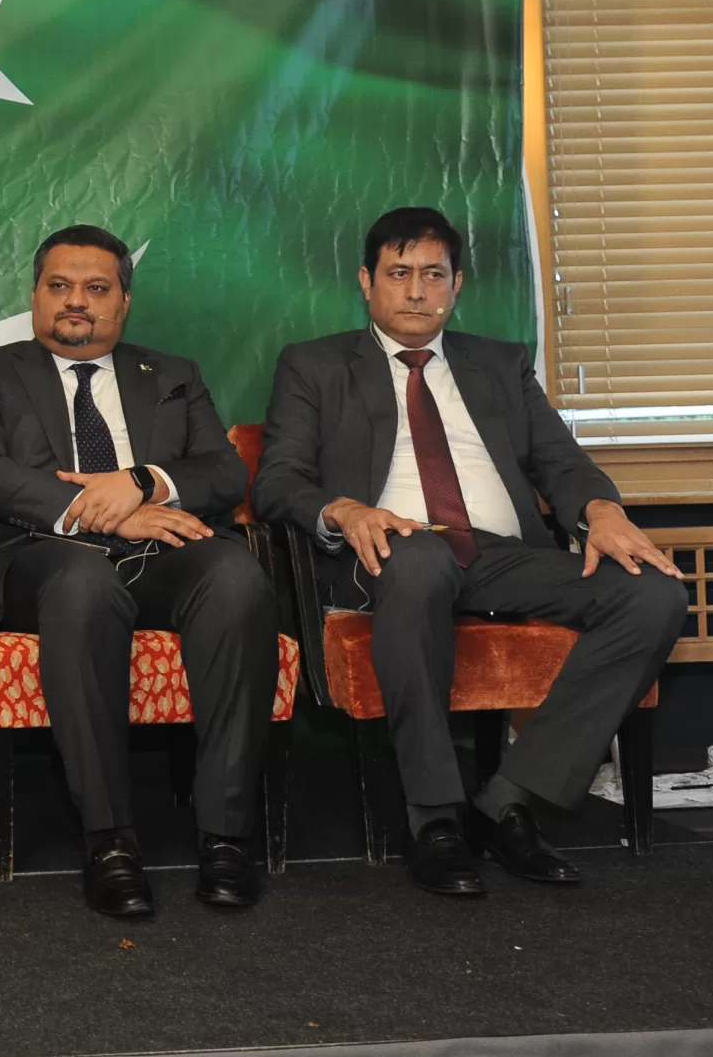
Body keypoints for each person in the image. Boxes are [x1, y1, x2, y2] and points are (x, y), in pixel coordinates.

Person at [256, 207, 687, 896]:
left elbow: (561, 462)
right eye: (399, 273)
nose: (416, 291)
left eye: (434, 274)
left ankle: (509, 800)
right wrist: (344, 509)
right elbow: (278, 481)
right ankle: (434, 818)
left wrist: (601, 512)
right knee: (419, 558)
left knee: (654, 590)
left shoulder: (500, 363)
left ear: (456, 285)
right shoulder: (314, 365)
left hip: (501, 555)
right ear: (367, 281)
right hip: (387, 552)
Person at [0, 225, 276, 918]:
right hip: (43, 557)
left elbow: (222, 472)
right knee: (83, 585)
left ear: (123, 301)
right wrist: (102, 512)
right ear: (35, 295)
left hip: (164, 554)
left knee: (236, 576)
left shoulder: (173, 374)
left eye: (96, 288)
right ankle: (110, 840)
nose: (76, 301)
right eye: (59, 285)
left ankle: (226, 836)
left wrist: (141, 481)